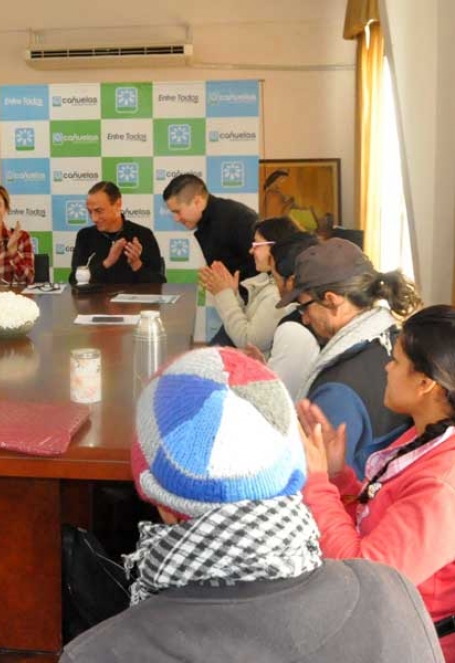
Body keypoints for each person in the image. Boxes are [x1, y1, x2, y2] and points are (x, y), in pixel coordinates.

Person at [60, 346, 444, 662]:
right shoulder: (392, 595)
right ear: (290, 468)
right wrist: (333, 480)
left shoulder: (99, 653)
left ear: (161, 503)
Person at [301, 305, 455, 661]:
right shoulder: (424, 439)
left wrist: (317, 482)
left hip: (408, 644)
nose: (387, 367)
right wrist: (341, 478)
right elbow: (377, 519)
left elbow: (366, 575)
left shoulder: (442, 487)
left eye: (397, 361)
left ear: (426, 383)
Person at [277, 238, 420, 449]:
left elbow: (320, 473)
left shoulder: (337, 387)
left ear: (332, 300)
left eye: (304, 307)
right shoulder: (397, 344)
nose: (305, 319)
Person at [200, 216, 299, 351]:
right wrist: (233, 295)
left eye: (256, 245)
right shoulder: (271, 284)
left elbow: (249, 343)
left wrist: (224, 296)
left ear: (276, 248)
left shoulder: (276, 296)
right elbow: (247, 322)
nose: (251, 251)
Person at [245, 231, 321, 397]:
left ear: (291, 281)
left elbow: (276, 399)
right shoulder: (318, 314)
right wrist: (264, 368)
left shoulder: (293, 329)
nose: (275, 284)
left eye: (275, 276)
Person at [163, 173, 258, 282]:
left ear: (197, 202)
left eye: (177, 211)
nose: (176, 218)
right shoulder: (208, 220)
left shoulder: (240, 218)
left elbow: (261, 268)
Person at [69, 181, 164, 285]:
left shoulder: (143, 235)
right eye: (90, 211)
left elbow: (159, 283)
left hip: (133, 301)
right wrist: (107, 262)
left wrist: (136, 264)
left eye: (99, 211)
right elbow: (74, 280)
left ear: (118, 205)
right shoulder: (85, 236)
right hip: (96, 301)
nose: (94, 218)